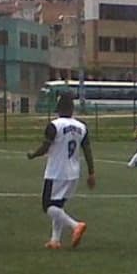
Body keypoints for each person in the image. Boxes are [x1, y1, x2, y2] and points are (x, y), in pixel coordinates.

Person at [26, 95, 95, 250]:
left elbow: (45, 147)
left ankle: (75, 225)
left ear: (59, 109)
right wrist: (91, 173)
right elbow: (87, 151)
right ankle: (55, 240)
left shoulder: (54, 125)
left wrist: (33, 154)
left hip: (56, 172)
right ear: (72, 109)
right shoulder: (82, 127)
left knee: (48, 206)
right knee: (58, 206)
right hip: (73, 173)